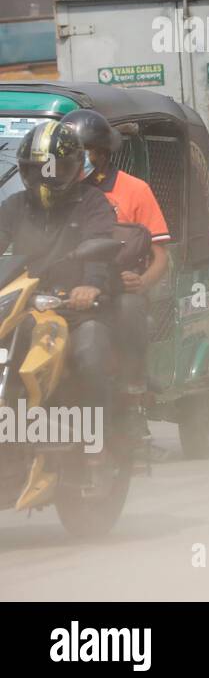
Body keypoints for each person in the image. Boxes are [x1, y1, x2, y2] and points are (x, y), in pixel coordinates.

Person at [0, 120, 119, 480]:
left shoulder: (92, 203)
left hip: (72, 309)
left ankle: (97, 442)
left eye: (54, 170)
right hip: (19, 306)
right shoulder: (15, 206)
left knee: (89, 350)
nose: (45, 180)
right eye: (36, 172)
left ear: (75, 168)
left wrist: (91, 286)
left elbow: (100, 247)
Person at [62, 109, 170, 438]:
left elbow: (161, 256)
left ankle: (133, 394)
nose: (79, 160)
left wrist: (142, 282)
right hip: (73, 289)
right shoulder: (60, 195)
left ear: (102, 154)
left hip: (121, 290)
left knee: (128, 308)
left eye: (85, 152)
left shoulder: (135, 190)